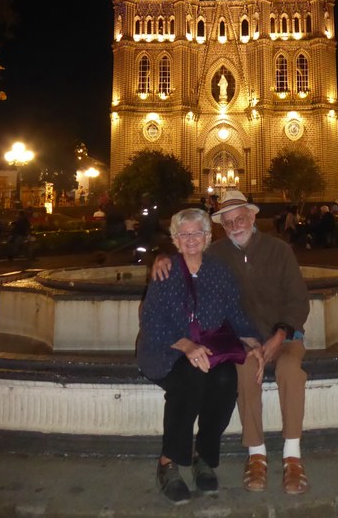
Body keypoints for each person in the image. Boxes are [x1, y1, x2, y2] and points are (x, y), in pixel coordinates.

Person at [151, 190, 310, 496]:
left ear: (252, 217)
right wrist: (161, 259)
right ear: (221, 228)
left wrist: (280, 335)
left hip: (285, 337)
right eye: (228, 222)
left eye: (240, 219)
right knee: (243, 373)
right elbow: (187, 251)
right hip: (246, 340)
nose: (236, 226)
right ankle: (256, 455)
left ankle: (292, 457)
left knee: (291, 371)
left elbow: (298, 300)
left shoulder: (279, 250)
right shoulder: (216, 254)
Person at [137, 207, 263, 505]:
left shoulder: (218, 271)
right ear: (175, 239)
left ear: (207, 237)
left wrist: (254, 342)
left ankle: (203, 455)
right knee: (190, 378)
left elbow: (234, 312)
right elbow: (151, 321)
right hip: (165, 350)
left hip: (206, 350)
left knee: (225, 378)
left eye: (197, 233)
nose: (191, 239)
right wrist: (186, 347)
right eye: (184, 234)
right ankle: (168, 462)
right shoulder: (166, 270)